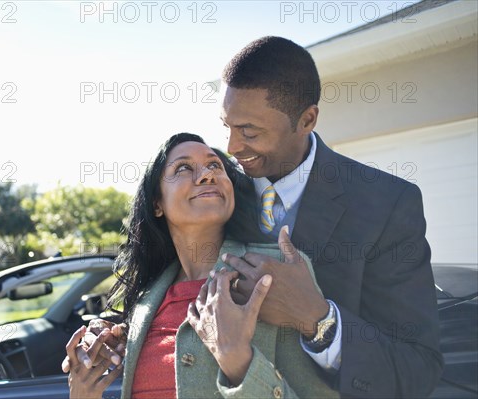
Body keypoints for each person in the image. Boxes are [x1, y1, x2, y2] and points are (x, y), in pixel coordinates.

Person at [218, 36, 443, 397]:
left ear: (307, 119)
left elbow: (417, 368)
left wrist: (318, 320)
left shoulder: (387, 204)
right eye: (226, 126)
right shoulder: (214, 188)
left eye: (249, 132)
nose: (231, 147)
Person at [64, 133, 339, 398]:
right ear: (156, 203)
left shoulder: (273, 272)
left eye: (215, 165)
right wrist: (84, 392)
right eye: (183, 168)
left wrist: (239, 361)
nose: (207, 175)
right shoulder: (145, 304)